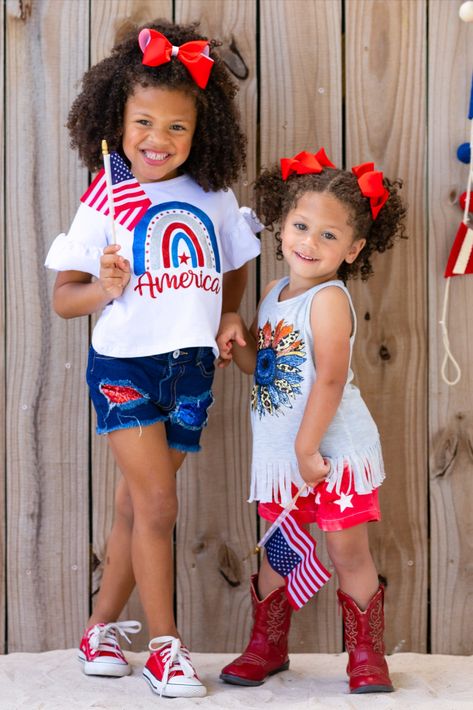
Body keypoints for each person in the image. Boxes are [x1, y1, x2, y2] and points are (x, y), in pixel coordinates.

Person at [45, 19, 260, 699]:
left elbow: (235, 263)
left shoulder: (212, 198)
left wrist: (229, 313)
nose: (157, 140)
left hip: (190, 371)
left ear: (201, 135)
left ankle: (98, 628)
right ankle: (168, 648)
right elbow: (62, 298)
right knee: (159, 505)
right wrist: (102, 289)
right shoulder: (104, 199)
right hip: (126, 370)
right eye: (143, 122)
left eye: (175, 128)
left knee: (134, 510)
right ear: (117, 119)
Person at [216, 148, 407, 694]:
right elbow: (266, 365)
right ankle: (268, 644)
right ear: (281, 227)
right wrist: (237, 336)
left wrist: (306, 450)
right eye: (301, 226)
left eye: (329, 236)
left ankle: (367, 654)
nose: (310, 242)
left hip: (331, 455)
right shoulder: (276, 294)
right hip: (287, 457)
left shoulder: (328, 299)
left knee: (348, 551)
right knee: (280, 548)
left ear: (354, 248)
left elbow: (327, 378)